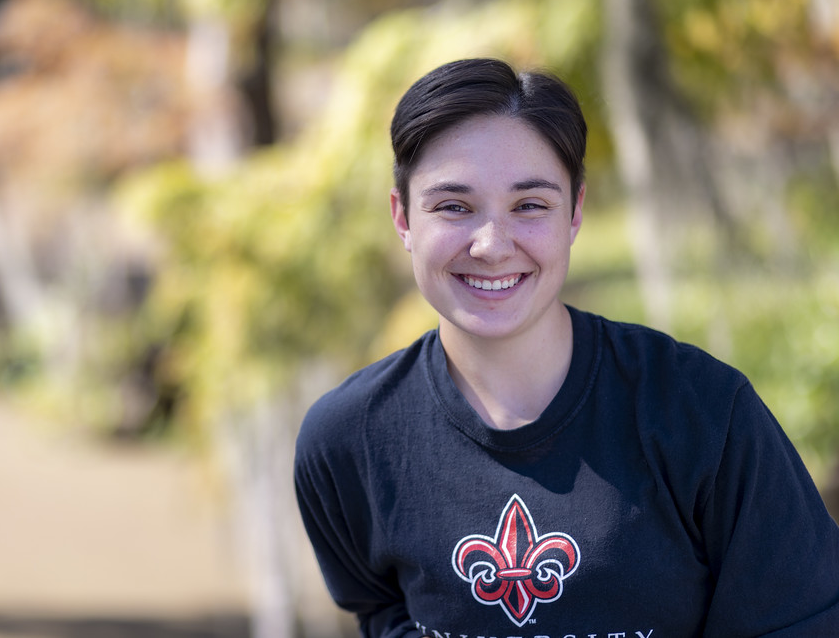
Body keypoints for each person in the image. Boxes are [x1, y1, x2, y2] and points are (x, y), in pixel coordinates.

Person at [293, 57, 839, 637]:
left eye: (530, 205)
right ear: (403, 217)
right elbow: (381, 612)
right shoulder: (348, 440)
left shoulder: (703, 414)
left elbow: (803, 620)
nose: (491, 245)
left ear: (575, 211)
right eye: (454, 206)